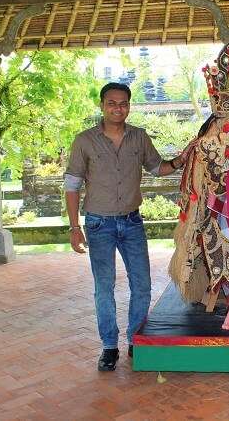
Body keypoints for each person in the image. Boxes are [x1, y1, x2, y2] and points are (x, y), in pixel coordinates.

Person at [64, 82, 194, 372]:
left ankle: (136, 338)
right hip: (98, 223)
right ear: (102, 105)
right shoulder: (84, 141)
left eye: (123, 103)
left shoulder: (139, 138)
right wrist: (74, 227)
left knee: (142, 284)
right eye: (111, 103)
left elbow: (157, 167)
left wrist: (180, 160)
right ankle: (109, 346)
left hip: (132, 221)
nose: (117, 108)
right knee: (104, 287)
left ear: (129, 106)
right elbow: (72, 185)